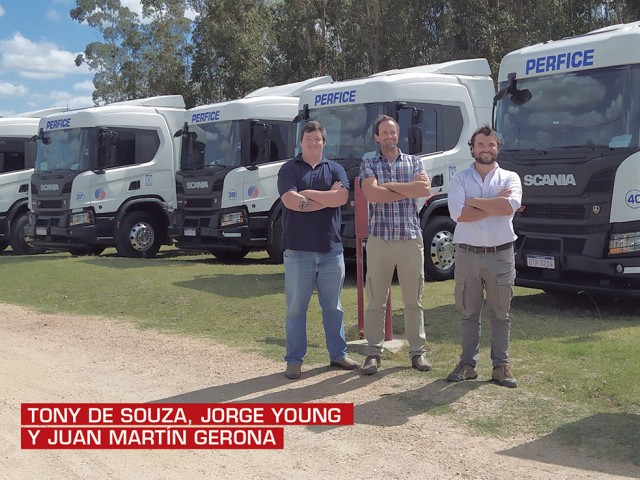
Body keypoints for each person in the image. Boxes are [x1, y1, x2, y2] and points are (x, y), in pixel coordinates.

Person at [277, 120, 359, 380]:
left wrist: (309, 195)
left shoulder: (335, 168)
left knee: (333, 307)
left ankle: (338, 354)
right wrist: (326, 199)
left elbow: (342, 198)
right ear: (301, 142)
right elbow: (290, 201)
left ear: (324, 142)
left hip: (331, 250)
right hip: (298, 252)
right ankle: (294, 360)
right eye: (309, 138)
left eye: (318, 138)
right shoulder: (289, 169)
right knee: (295, 309)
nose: (314, 142)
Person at [446, 125, 522, 388]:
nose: (486, 149)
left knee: (501, 313)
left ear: (497, 147)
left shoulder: (510, 177)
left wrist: (473, 201)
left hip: (500, 255)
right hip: (467, 254)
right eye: (480, 145)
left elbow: (507, 207)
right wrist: (491, 204)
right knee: (468, 312)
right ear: (472, 148)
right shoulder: (459, 179)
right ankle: (467, 364)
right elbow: (459, 215)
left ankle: (501, 366)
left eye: (490, 145)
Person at [359, 115, 432, 375]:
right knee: (376, 301)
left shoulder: (415, 161)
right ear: (377, 137)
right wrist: (405, 189)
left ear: (397, 135)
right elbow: (372, 194)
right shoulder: (368, 163)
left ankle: (417, 353)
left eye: (393, 132)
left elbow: (423, 190)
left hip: (410, 238)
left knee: (414, 300)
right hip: (380, 239)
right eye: (384, 132)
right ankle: (372, 354)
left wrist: (389, 186)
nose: (389, 136)